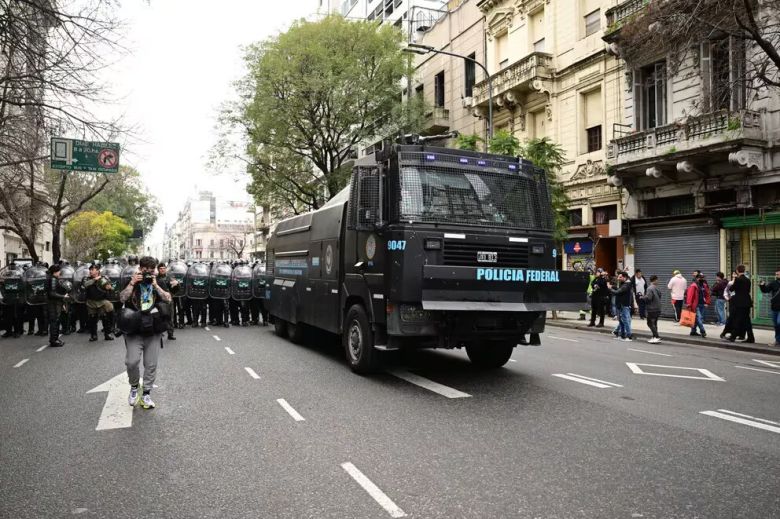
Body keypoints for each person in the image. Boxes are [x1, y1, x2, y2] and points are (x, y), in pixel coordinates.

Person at [119, 256, 172, 410]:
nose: (149, 273)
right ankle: (134, 386)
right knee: (131, 362)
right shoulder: (131, 280)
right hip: (134, 329)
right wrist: (132, 283)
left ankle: (146, 393)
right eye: (145, 270)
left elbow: (168, 299)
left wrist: (156, 285)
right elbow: (122, 298)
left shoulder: (158, 281)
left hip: (153, 329)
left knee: (151, 364)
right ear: (140, 269)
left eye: (152, 270)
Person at [83, 262, 115, 342]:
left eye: (92, 270)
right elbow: (85, 285)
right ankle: (93, 335)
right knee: (92, 319)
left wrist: (110, 288)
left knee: (105, 317)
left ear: (97, 271)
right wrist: (94, 280)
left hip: (102, 301)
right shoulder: (87, 278)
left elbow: (112, 287)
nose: (90, 271)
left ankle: (107, 334)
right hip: (91, 302)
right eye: (90, 270)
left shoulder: (103, 278)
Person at [726, 265, 755, 343]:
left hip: (739, 303)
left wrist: (733, 282)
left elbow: (732, 289)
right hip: (747, 302)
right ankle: (751, 338)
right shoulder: (748, 280)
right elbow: (747, 290)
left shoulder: (738, 279)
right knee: (747, 321)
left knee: (737, 320)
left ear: (737, 271)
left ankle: (733, 337)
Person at [45, 264, 70, 347]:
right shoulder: (53, 279)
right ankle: (54, 340)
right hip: (53, 303)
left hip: (55, 303)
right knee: (54, 321)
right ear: (55, 272)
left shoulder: (52, 278)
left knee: (56, 321)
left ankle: (55, 338)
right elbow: (52, 293)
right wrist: (63, 296)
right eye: (59, 271)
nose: (60, 272)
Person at [155, 262, 180, 341]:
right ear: (158, 269)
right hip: (158, 300)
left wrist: (177, 285)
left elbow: (175, 290)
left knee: (170, 317)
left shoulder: (170, 278)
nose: (162, 270)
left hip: (168, 301)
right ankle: (159, 333)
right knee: (159, 318)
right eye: (161, 268)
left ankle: (170, 333)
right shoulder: (155, 279)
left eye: (164, 268)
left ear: (166, 269)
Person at [608, 271, 633, 341]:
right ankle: (622, 336)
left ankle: (629, 335)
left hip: (624, 305)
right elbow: (618, 288)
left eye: (620, 277)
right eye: (618, 277)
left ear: (625, 277)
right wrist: (613, 287)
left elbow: (617, 292)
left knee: (625, 320)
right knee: (621, 321)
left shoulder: (626, 285)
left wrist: (610, 289)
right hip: (620, 305)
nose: (618, 278)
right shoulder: (623, 283)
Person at [758, 268, 780, 347]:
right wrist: (762, 285)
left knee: (779, 322)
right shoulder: (773, 283)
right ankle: (777, 340)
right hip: (774, 307)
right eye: (776, 274)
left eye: (778, 274)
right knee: (776, 325)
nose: (777, 276)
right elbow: (765, 290)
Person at [642, 275, 663, 343]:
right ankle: (654, 337)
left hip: (652, 308)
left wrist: (642, 297)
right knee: (654, 323)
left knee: (650, 323)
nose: (658, 281)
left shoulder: (649, 288)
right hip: (657, 308)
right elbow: (659, 295)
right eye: (657, 280)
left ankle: (656, 336)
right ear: (654, 280)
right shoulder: (657, 288)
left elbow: (649, 298)